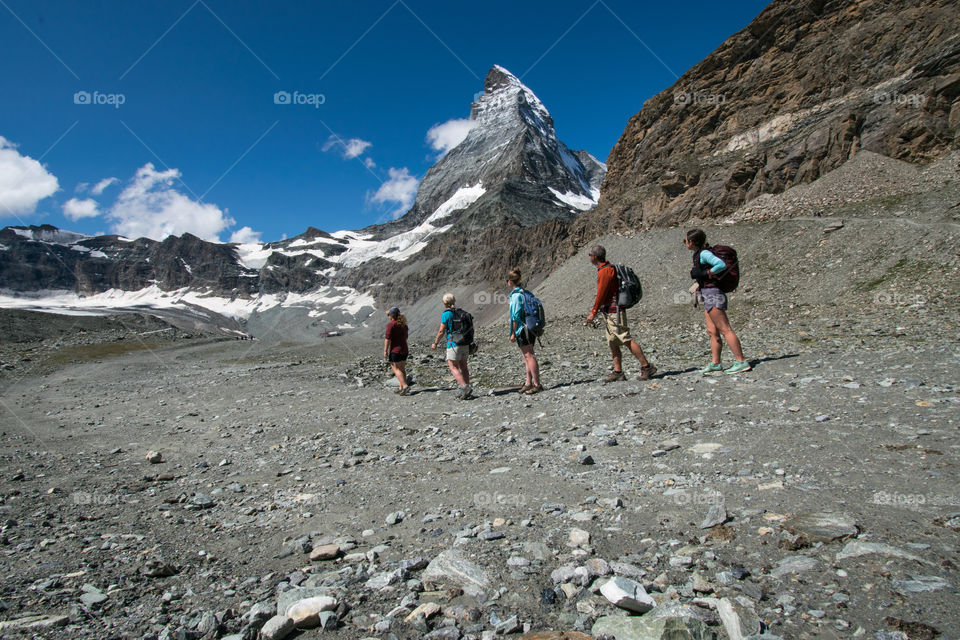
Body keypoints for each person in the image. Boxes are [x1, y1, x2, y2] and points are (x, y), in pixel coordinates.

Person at [585, 245, 656, 382]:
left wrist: (593, 312)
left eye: (589, 255)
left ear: (594, 256)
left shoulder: (605, 272)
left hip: (614, 311)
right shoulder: (606, 269)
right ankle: (618, 371)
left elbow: (601, 294)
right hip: (610, 311)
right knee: (613, 341)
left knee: (625, 338)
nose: (589, 257)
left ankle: (646, 367)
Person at [684, 229, 751, 374]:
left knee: (725, 329)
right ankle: (716, 363)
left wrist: (706, 273)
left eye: (686, 241)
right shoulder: (700, 254)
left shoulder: (704, 253)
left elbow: (721, 265)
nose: (685, 244)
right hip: (707, 293)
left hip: (712, 293)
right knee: (712, 331)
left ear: (691, 242)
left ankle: (741, 361)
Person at [507, 268, 542, 394]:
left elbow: (515, 316)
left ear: (511, 281)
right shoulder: (527, 293)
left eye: (507, 280)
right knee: (527, 355)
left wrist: (513, 333)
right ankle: (528, 382)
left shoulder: (516, 296)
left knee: (529, 355)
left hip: (522, 329)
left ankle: (537, 384)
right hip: (530, 327)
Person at [431, 293, 472, 399]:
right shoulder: (461, 312)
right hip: (465, 342)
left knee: (453, 366)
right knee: (464, 366)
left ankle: (465, 387)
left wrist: (435, 343)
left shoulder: (446, 314)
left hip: (453, 343)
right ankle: (466, 388)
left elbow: (441, 331)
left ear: (444, 303)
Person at [384, 307, 410, 395]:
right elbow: (406, 337)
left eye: (388, 314)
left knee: (396, 369)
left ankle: (405, 386)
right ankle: (401, 387)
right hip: (405, 349)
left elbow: (387, 338)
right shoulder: (404, 325)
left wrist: (385, 351)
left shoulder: (391, 325)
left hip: (395, 350)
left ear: (391, 315)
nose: (388, 316)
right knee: (402, 368)